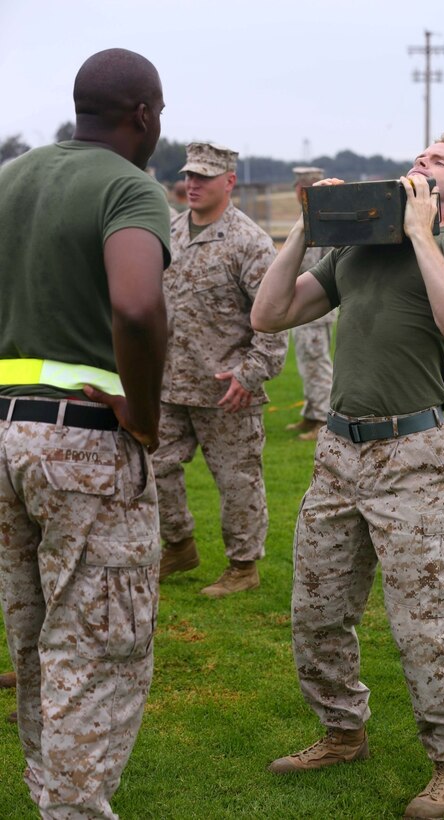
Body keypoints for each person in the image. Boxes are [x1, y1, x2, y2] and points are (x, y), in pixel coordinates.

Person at [251, 134, 444, 818]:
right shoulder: (353, 252)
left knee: (423, 623)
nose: (420, 163)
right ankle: (340, 733)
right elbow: (266, 314)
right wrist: (305, 226)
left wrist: (421, 233)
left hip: (409, 457)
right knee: (317, 612)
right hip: (337, 453)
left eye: (436, 162)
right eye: (418, 156)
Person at [0, 48, 171, 817]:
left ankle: (49, 797)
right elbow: (136, 306)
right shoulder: (128, 187)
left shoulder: (10, 179)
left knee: (34, 641)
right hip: (84, 443)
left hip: (5, 434)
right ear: (142, 113)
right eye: (158, 112)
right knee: (98, 650)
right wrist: (144, 409)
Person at [153, 141, 288, 598]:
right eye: (189, 175)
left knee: (237, 482)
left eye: (204, 177)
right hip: (170, 382)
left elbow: (275, 317)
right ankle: (178, 544)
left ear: (229, 181)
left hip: (228, 389)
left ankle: (243, 566)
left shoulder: (249, 242)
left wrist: (251, 374)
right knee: (153, 469)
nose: (192, 184)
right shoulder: (169, 232)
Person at [285, 167, 336, 441]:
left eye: (300, 186)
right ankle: (310, 413)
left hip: (315, 307)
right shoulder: (309, 216)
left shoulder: (322, 220)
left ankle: (322, 420)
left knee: (317, 363)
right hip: (303, 305)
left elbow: (323, 266)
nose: (296, 190)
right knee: (307, 361)